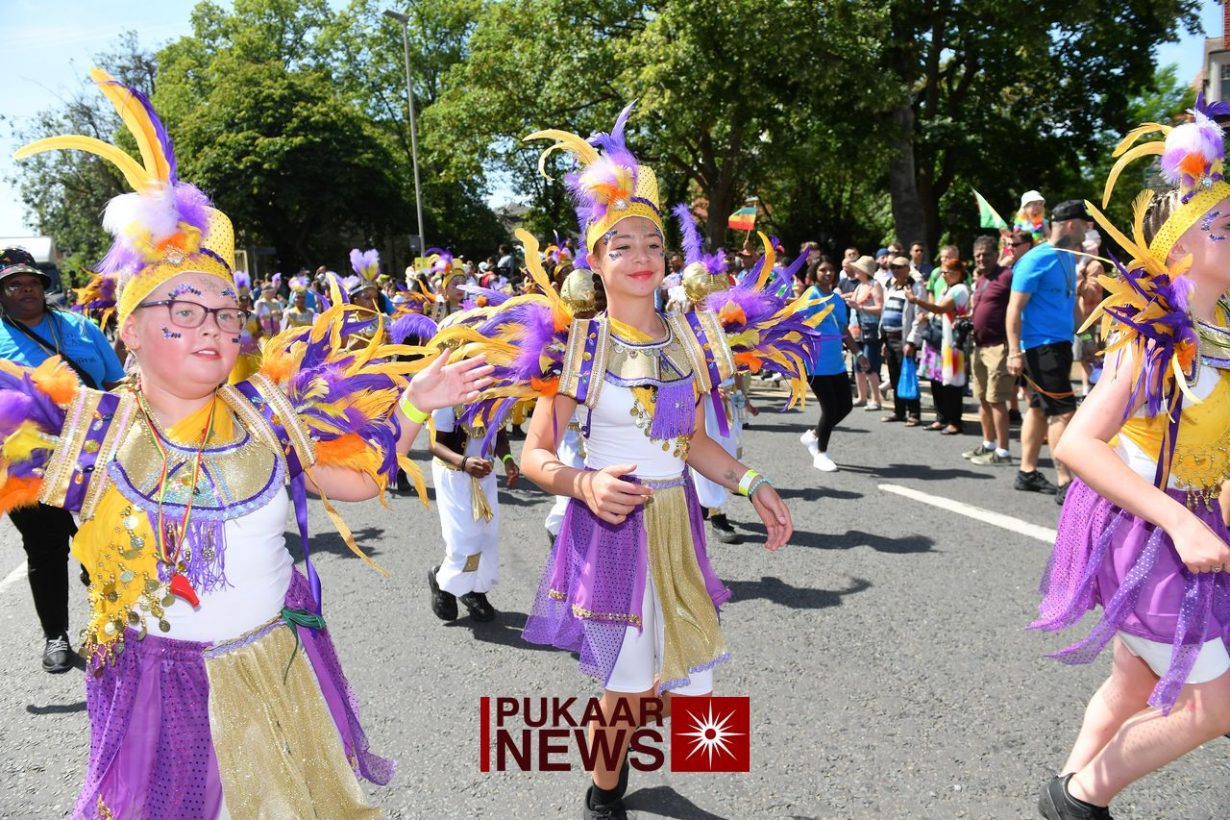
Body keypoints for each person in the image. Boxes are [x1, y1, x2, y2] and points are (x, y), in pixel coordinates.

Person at [5, 68, 494, 817]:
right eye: (184, 310)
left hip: (274, 670)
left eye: (226, 311)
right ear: (129, 329)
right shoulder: (89, 432)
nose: (213, 325)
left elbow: (361, 481)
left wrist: (414, 406)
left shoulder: (266, 410)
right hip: (156, 694)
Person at [433, 106, 801, 820]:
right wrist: (585, 482)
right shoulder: (578, 343)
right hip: (613, 526)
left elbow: (692, 442)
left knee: (665, 676)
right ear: (595, 262)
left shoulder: (692, 339)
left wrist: (752, 483)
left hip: (676, 523)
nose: (640, 256)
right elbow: (535, 456)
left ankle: (621, 752)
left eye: (653, 243)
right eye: (621, 244)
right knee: (627, 683)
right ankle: (604, 794)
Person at [1030, 99, 1230, 820]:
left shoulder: (1222, 327)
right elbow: (1076, 443)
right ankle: (1079, 798)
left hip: (1196, 525)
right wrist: (1181, 522)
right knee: (1214, 707)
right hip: (1146, 533)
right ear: (1178, 251)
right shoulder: (1150, 336)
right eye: (1222, 228)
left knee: (1132, 686)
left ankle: (1070, 795)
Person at [0, 247, 125, 672]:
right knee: (45, 548)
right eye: (13, 284)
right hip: (27, 464)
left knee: (106, 540)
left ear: (43, 286)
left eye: (32, 282)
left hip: (95, 454)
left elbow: (116, 383)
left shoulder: (80, 327)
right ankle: (56, 634)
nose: (26, 289)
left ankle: (115, 622)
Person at [1006, 200, 1091, 501]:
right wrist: (1014, 351)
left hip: (1060, 344)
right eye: (1085, 225)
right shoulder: (1035, 260)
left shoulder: (1067, 258)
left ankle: (1027, 472)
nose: (1087, 231)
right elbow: (1014, 309)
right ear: (1071, 225)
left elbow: (1071, 304)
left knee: (1038, 408)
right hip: (1040, 347)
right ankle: (1065, 482)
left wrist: (1086, 337)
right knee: (1064, 412)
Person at [801, 258, 860, 470]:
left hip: (836, 362)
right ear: (814, 274)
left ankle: (814, 435)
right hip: (816, 363)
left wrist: (859, 353)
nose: (828, 273)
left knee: (846, 406)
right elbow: (798, 326)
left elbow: (843, 330)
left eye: (831, 269)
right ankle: (820, 453)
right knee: (830, 408)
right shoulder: (810, 296)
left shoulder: (837, 299)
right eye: (823, 270)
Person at [965, 236, 1015, 465]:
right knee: (983, 398)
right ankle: (988, 444)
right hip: (979, 346)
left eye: (986, 254)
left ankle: (1003, 452)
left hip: (998, 345)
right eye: (978, 255)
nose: (981, 258)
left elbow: (1018, 307)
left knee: (996, 400)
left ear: (996, 254)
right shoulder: (981, 280)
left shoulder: (1007, 276)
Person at [908, 259, 970, 434]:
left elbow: (940, 309)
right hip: (937, 338)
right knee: (936, 379)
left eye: (946, 272)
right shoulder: (946, 289)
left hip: (953, 341)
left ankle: (955, 420)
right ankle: (941, 417)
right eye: (942, 272)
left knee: (952, 382)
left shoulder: (960, 289)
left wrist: (916, 300)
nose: (943, 276)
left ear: (957, 273)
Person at [879, 255, 923, 425]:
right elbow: (885, 312)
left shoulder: (915, 288)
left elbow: (919, 316)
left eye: (899, 267)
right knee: (894, 376)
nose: (895, 270)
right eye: (893, 267)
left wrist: (911, 341)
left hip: (903, 339)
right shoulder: (890, 286)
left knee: (908, 375)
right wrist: (883, 339)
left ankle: (914, 413)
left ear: (908, 269)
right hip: (889, 337)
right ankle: (899, 411)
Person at [849, 255, 885, 411]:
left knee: (869, 364)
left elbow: (880, 308)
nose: (855, 270)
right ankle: (862, 397)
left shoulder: (874, 285)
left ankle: (876, 399)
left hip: (870, 329)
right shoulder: (860, 286)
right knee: (857, 364)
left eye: (858, 268)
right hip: (856, 330)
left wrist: (860, 307)